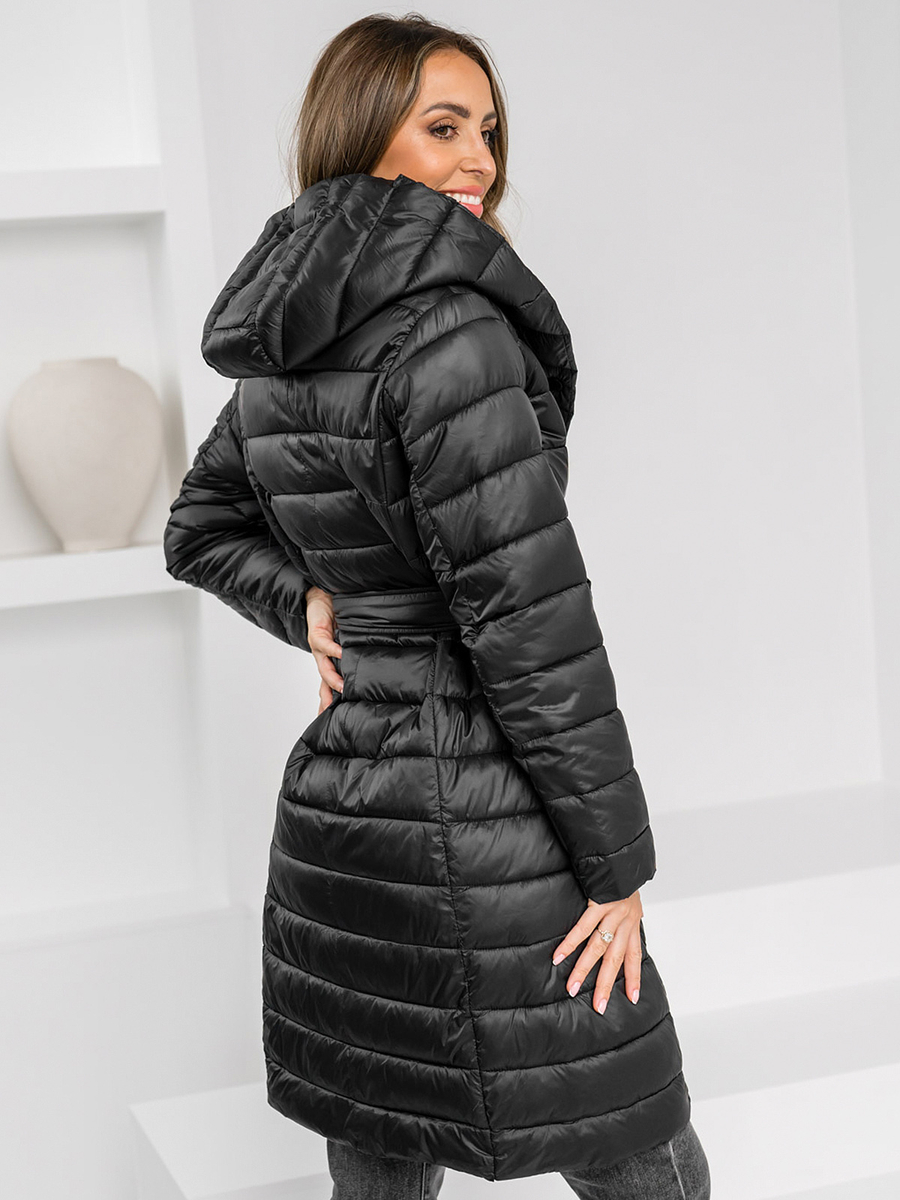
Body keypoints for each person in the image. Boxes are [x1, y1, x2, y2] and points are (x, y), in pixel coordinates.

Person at [163, 11, 710, 1199]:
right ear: (366, 137)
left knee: (380, 1144)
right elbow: (532, 628)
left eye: (489, 132)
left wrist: (312, 602)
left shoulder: (285, 343)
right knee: (641, 1149)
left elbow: (196, 527)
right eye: (445, 128)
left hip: (343, 813)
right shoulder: (453, 333)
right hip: (487, 812)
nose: (481, 163)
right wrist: (615, 865)